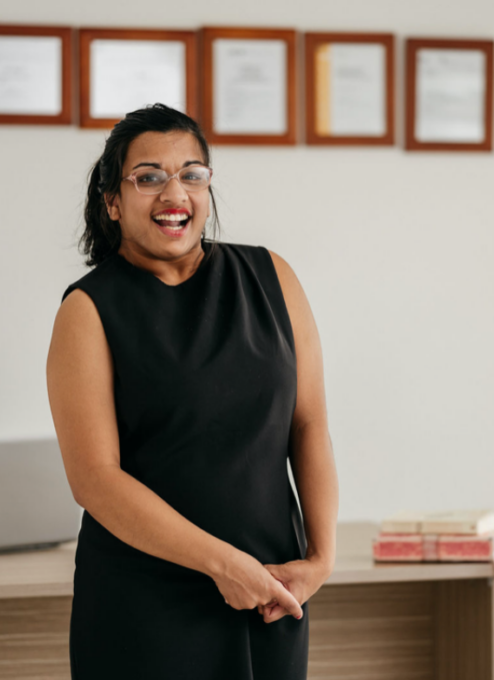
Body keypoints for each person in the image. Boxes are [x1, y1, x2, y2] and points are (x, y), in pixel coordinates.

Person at [46, 104, 339, 679]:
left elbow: (308, 425)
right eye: (148, 176)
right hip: (146, 606)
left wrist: (320, 560)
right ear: (112, 201)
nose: (173, 192)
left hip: (269, 594)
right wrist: (222, 564)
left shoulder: (271, 277)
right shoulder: (88, 310)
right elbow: (94, 479)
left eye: (191, 173)